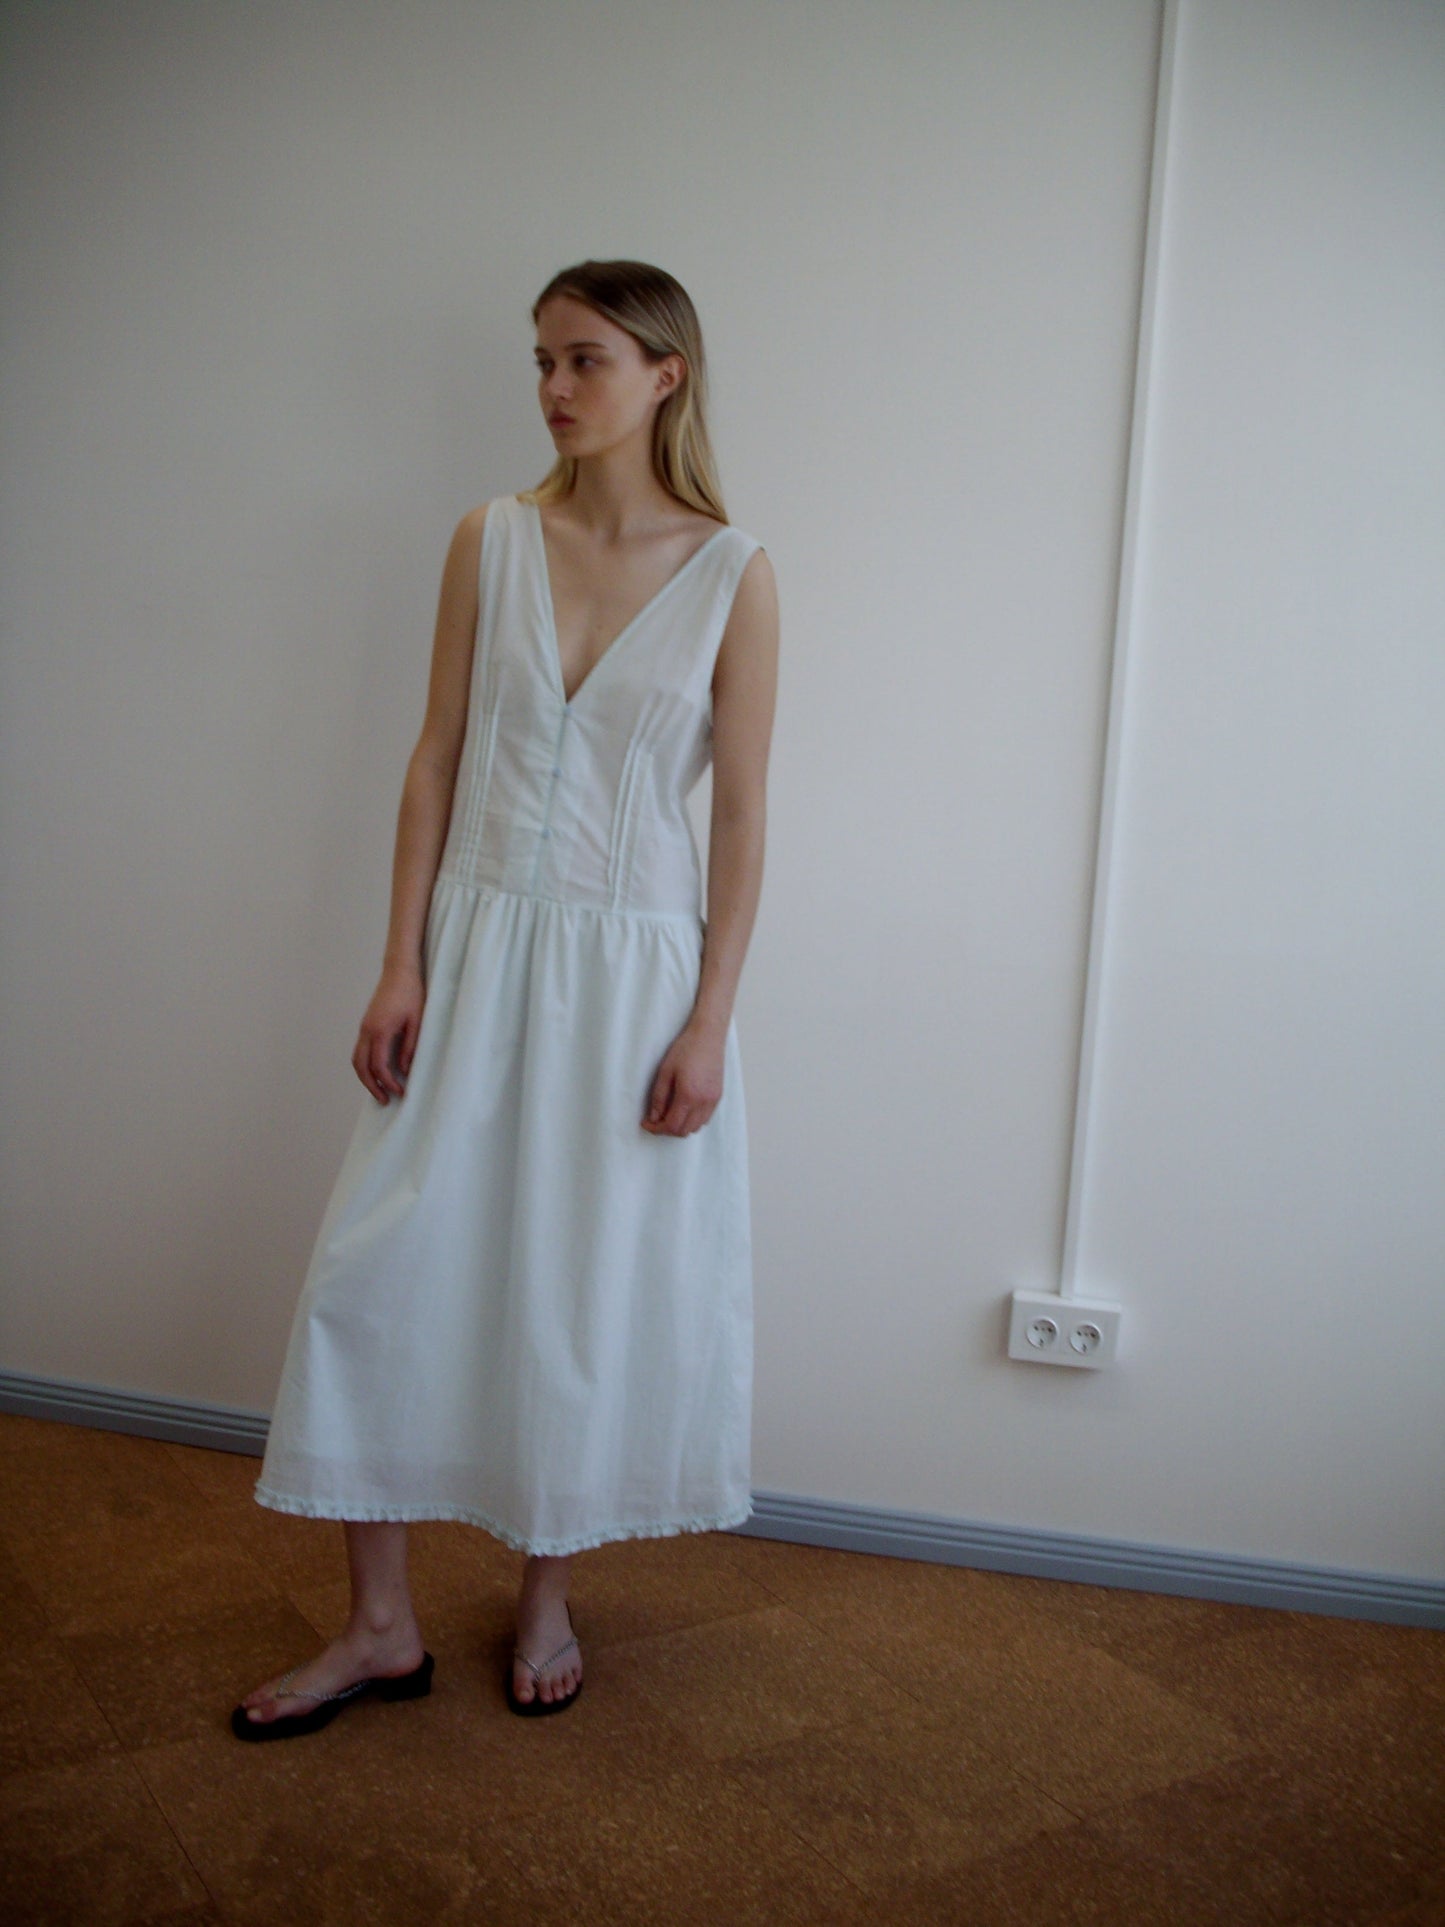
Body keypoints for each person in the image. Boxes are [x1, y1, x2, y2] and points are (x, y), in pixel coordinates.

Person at [232, 259, 779, 1733]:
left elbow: (738, 817)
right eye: (539, 359)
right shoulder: (489, 539)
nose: (550, 389)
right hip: (476, 954)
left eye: (583, 360)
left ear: (665, 374)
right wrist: (401, 957)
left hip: (632, 975)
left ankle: (543, 1596)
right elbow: (434, 757)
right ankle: (380, 1628)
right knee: (379, 1275)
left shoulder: (732, 572)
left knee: (572, 1292)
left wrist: (711, 1017)